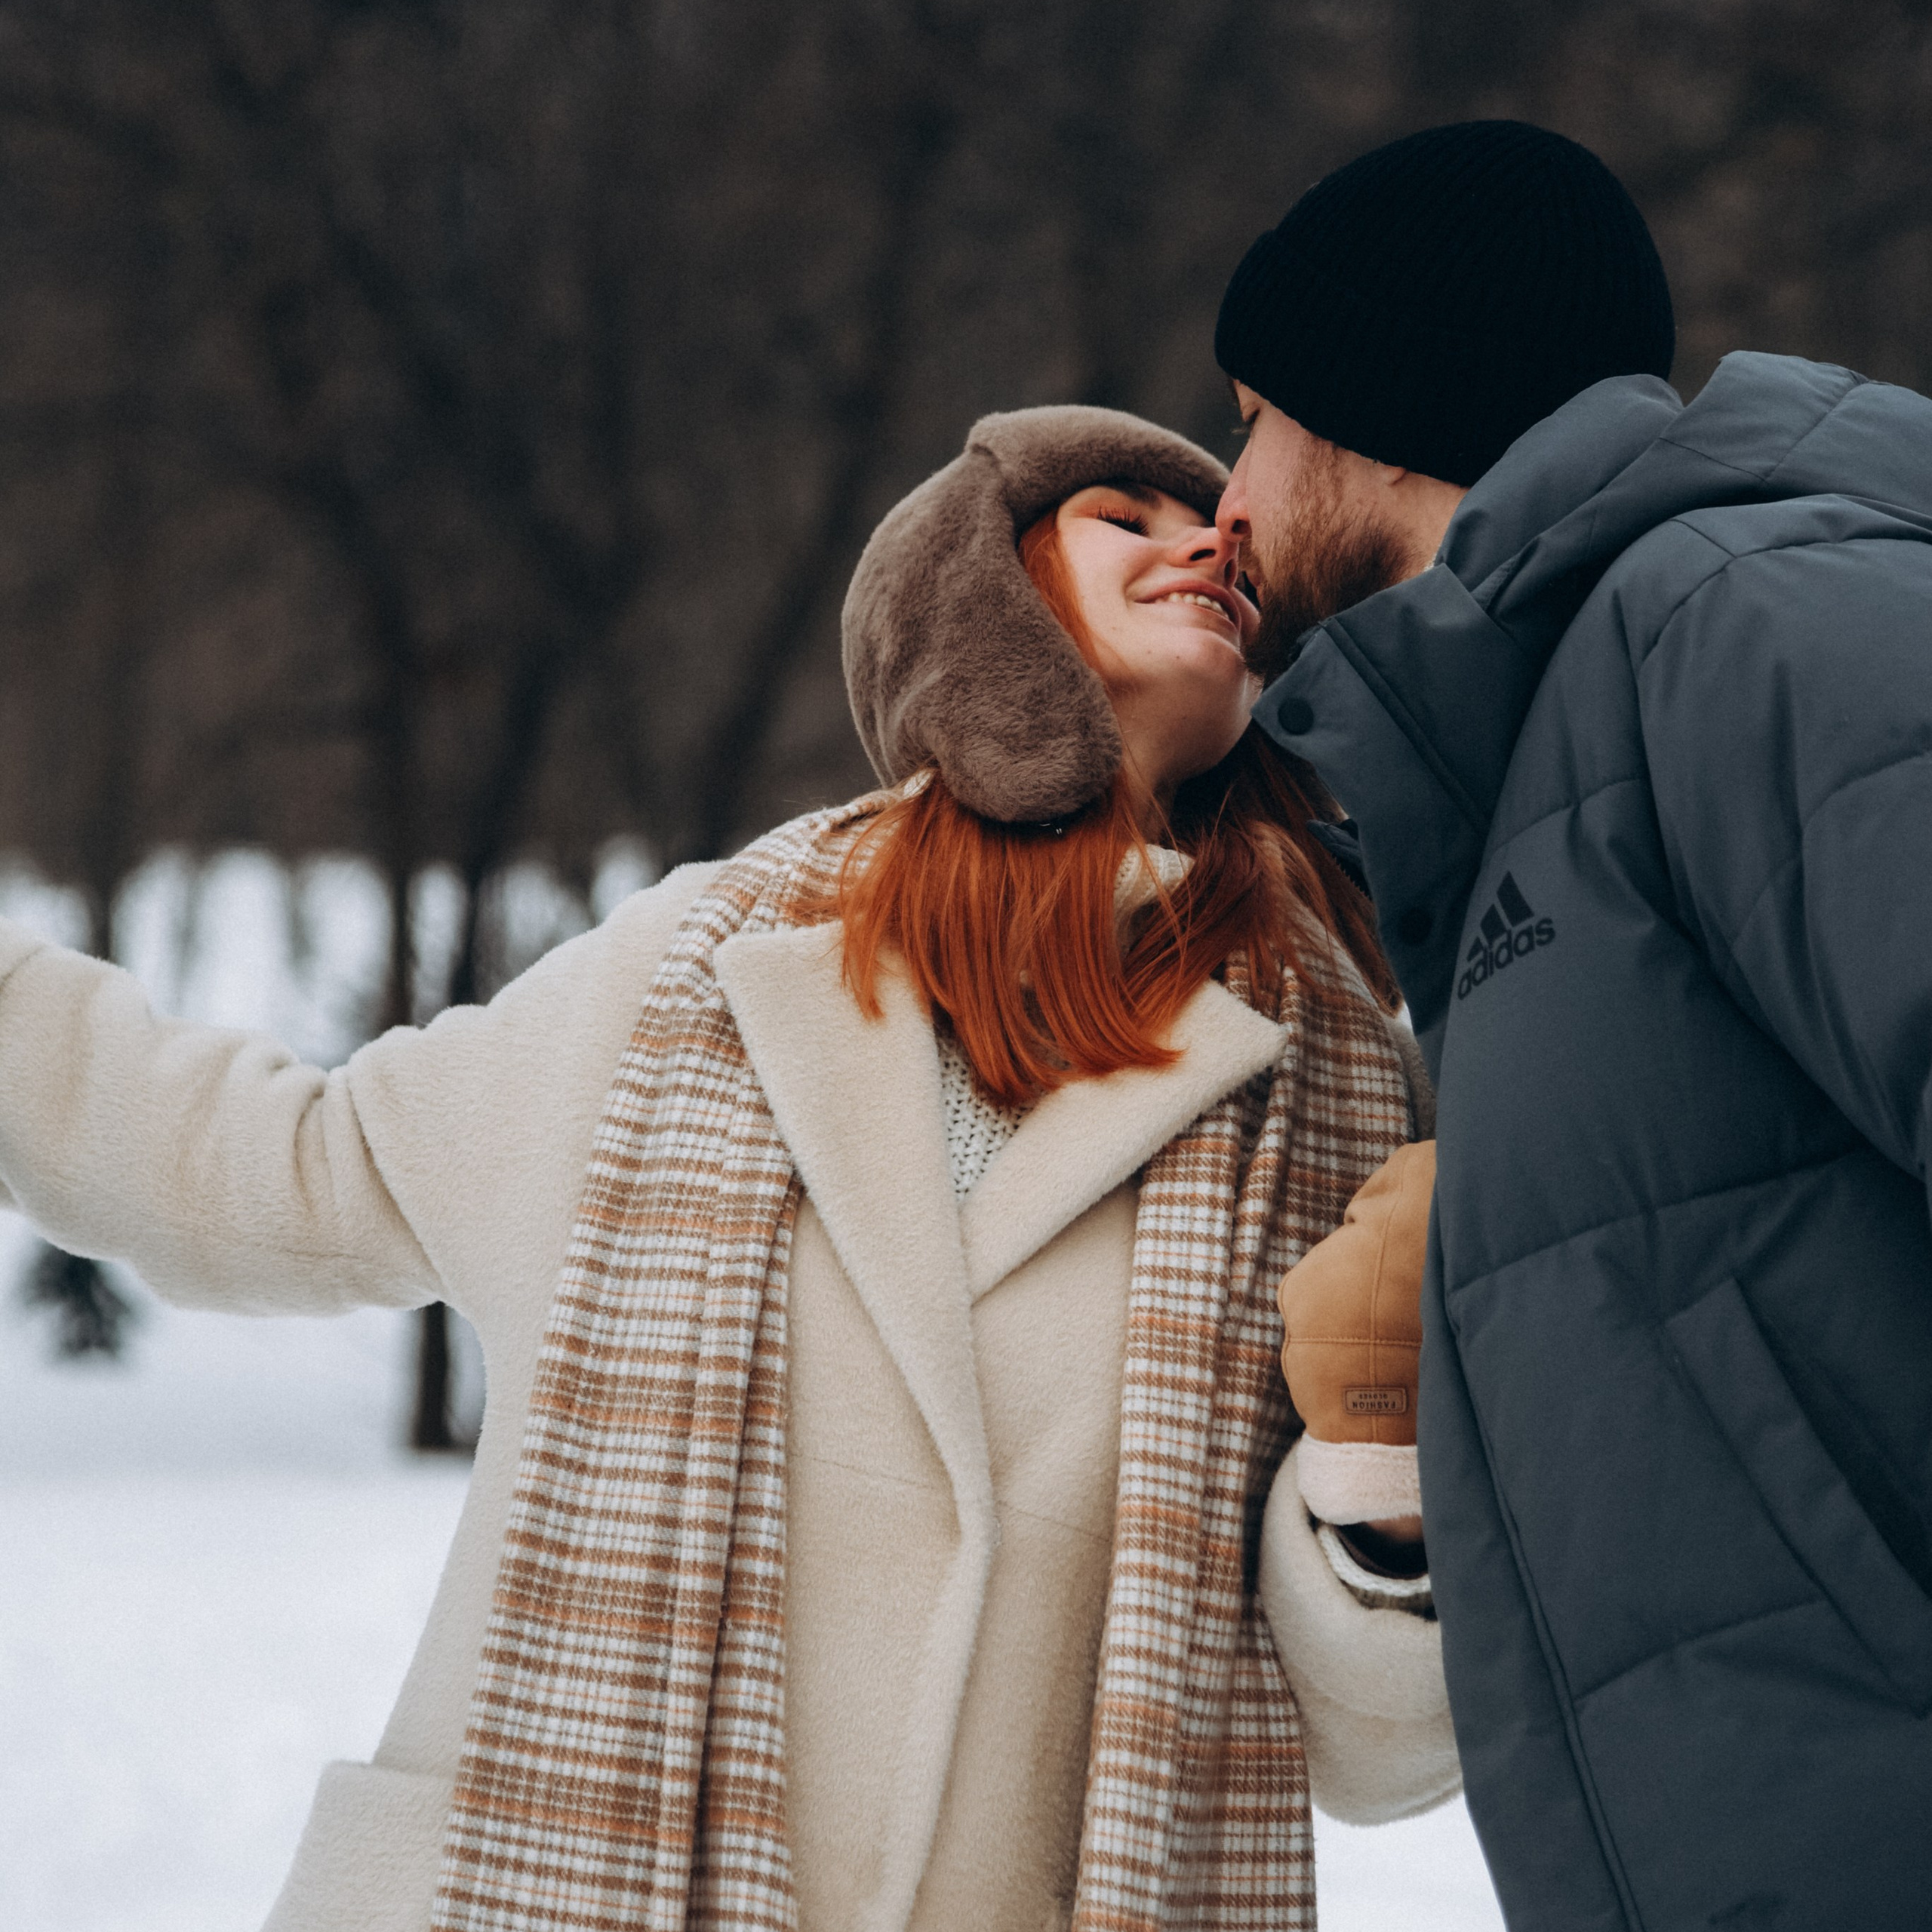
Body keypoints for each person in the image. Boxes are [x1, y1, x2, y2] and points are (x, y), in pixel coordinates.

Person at [0, 405, 1458, 1932]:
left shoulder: (1338, 1075)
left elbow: (1361, 1746)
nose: (1205, 546)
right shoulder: (703, 973)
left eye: (1220, 531)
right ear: (988, 596)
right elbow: (272, 1168)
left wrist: (1383, 1483)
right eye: (1125, 517)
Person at [1213, 117, 1932, 1931]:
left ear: (1373, 395)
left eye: (1246, 419)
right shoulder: (1536, 781)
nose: (1222, 499)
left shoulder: (1734, 623)